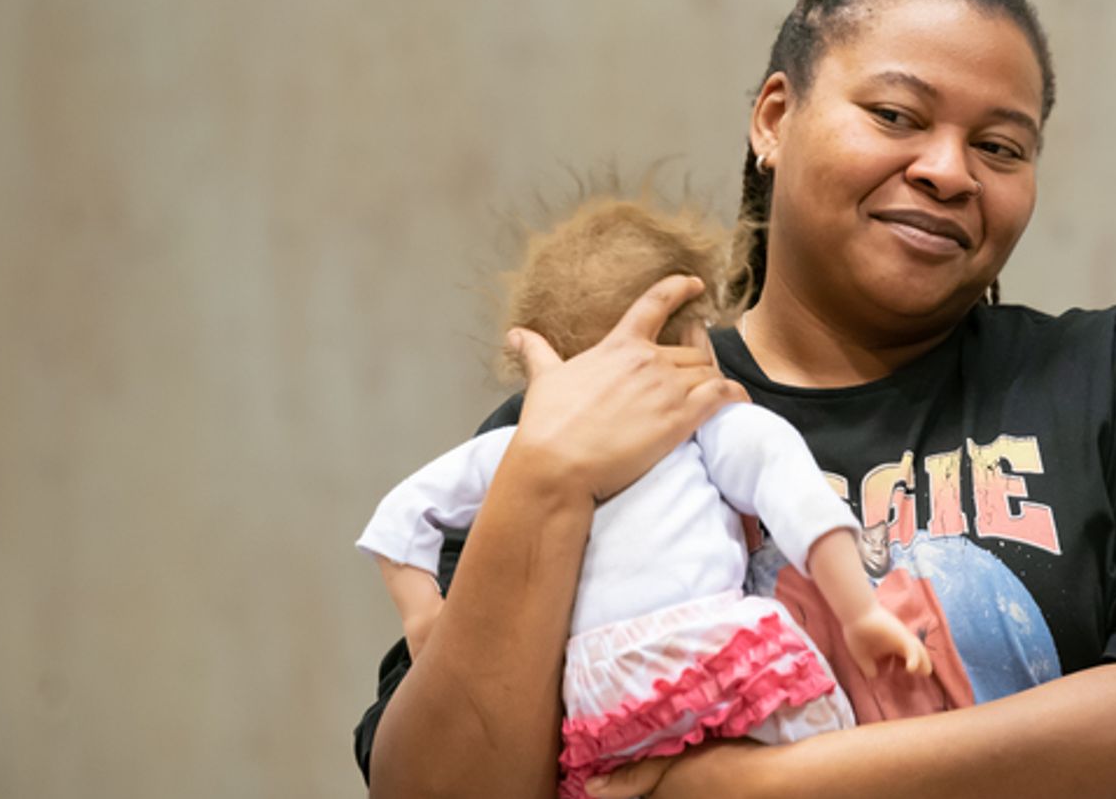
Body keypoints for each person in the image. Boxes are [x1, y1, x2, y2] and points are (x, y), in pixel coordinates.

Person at [355, 0, 1116, 799]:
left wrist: (754, 789)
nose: (947, 170)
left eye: (1002, 147)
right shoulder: (594, 405)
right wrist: (547, 477)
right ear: (774, 118)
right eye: (896, 115)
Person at [353, 198, 931, 799]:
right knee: (826, 744)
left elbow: (400, 515)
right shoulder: (709, 426)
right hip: (710, 651)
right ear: (695, 339)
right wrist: (859, 612)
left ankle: (659, 773)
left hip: (596, 695)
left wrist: (424, 618)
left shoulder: (521, 447)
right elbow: (798, 500)